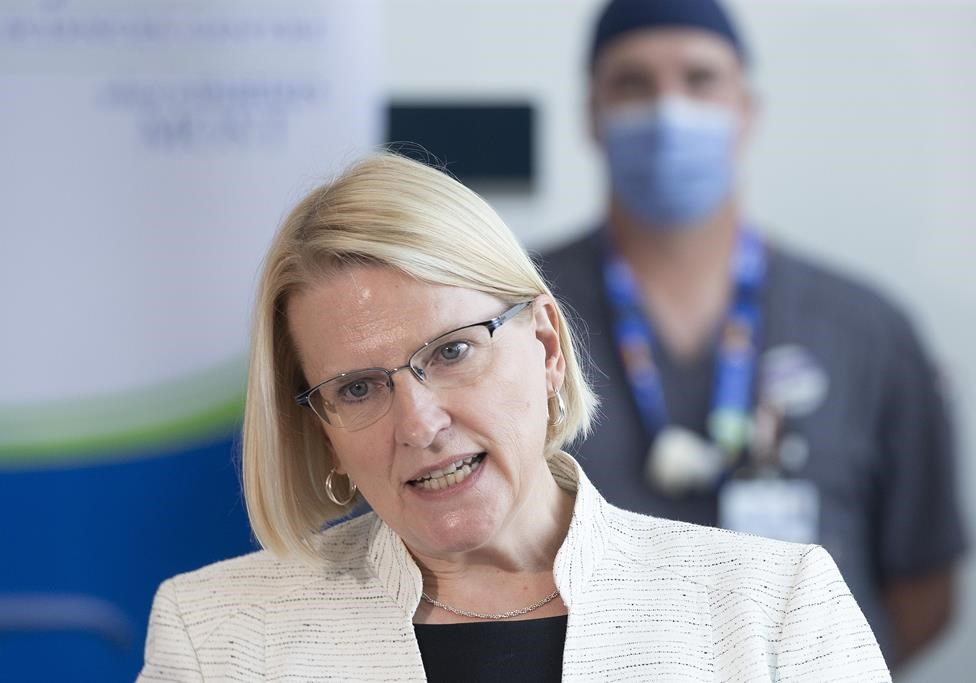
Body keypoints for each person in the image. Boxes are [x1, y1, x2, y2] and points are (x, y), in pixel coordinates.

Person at [137, 152, 890, 681]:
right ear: (322, 429)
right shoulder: (217, 637)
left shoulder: (771, 609)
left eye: (453, 351)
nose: (421, 422)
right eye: (359, 388)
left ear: (547, 345)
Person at [538, 0, 968, 669]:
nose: (668, 110)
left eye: (700, 79)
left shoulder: (867, 330)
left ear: (748, 109)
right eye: (632, 83)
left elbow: (923, 589)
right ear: (590, 114)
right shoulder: (512, 320)